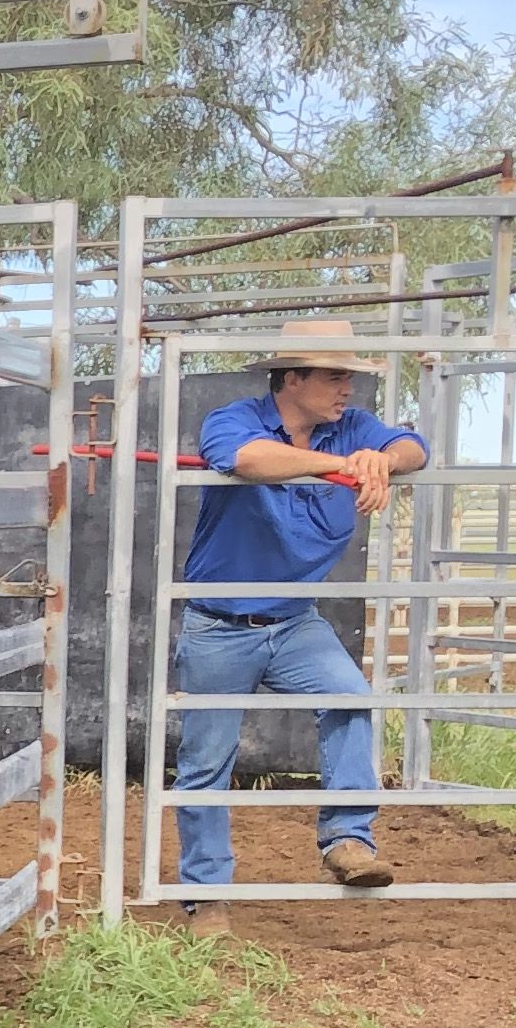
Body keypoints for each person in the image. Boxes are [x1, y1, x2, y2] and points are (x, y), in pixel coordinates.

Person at [173, 314, 428, 913]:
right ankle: (206, 899)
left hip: (293, 621)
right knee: (206, 761)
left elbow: (414, 446)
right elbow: (245, 459)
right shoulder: (236, 419)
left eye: (351, 377)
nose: (348, 389)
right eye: (336, 376)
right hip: (220, 623)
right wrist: (334, 465)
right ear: (292, 378)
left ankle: (347, 839)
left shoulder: (355, 427)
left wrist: (383, 461)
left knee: (350, 698)